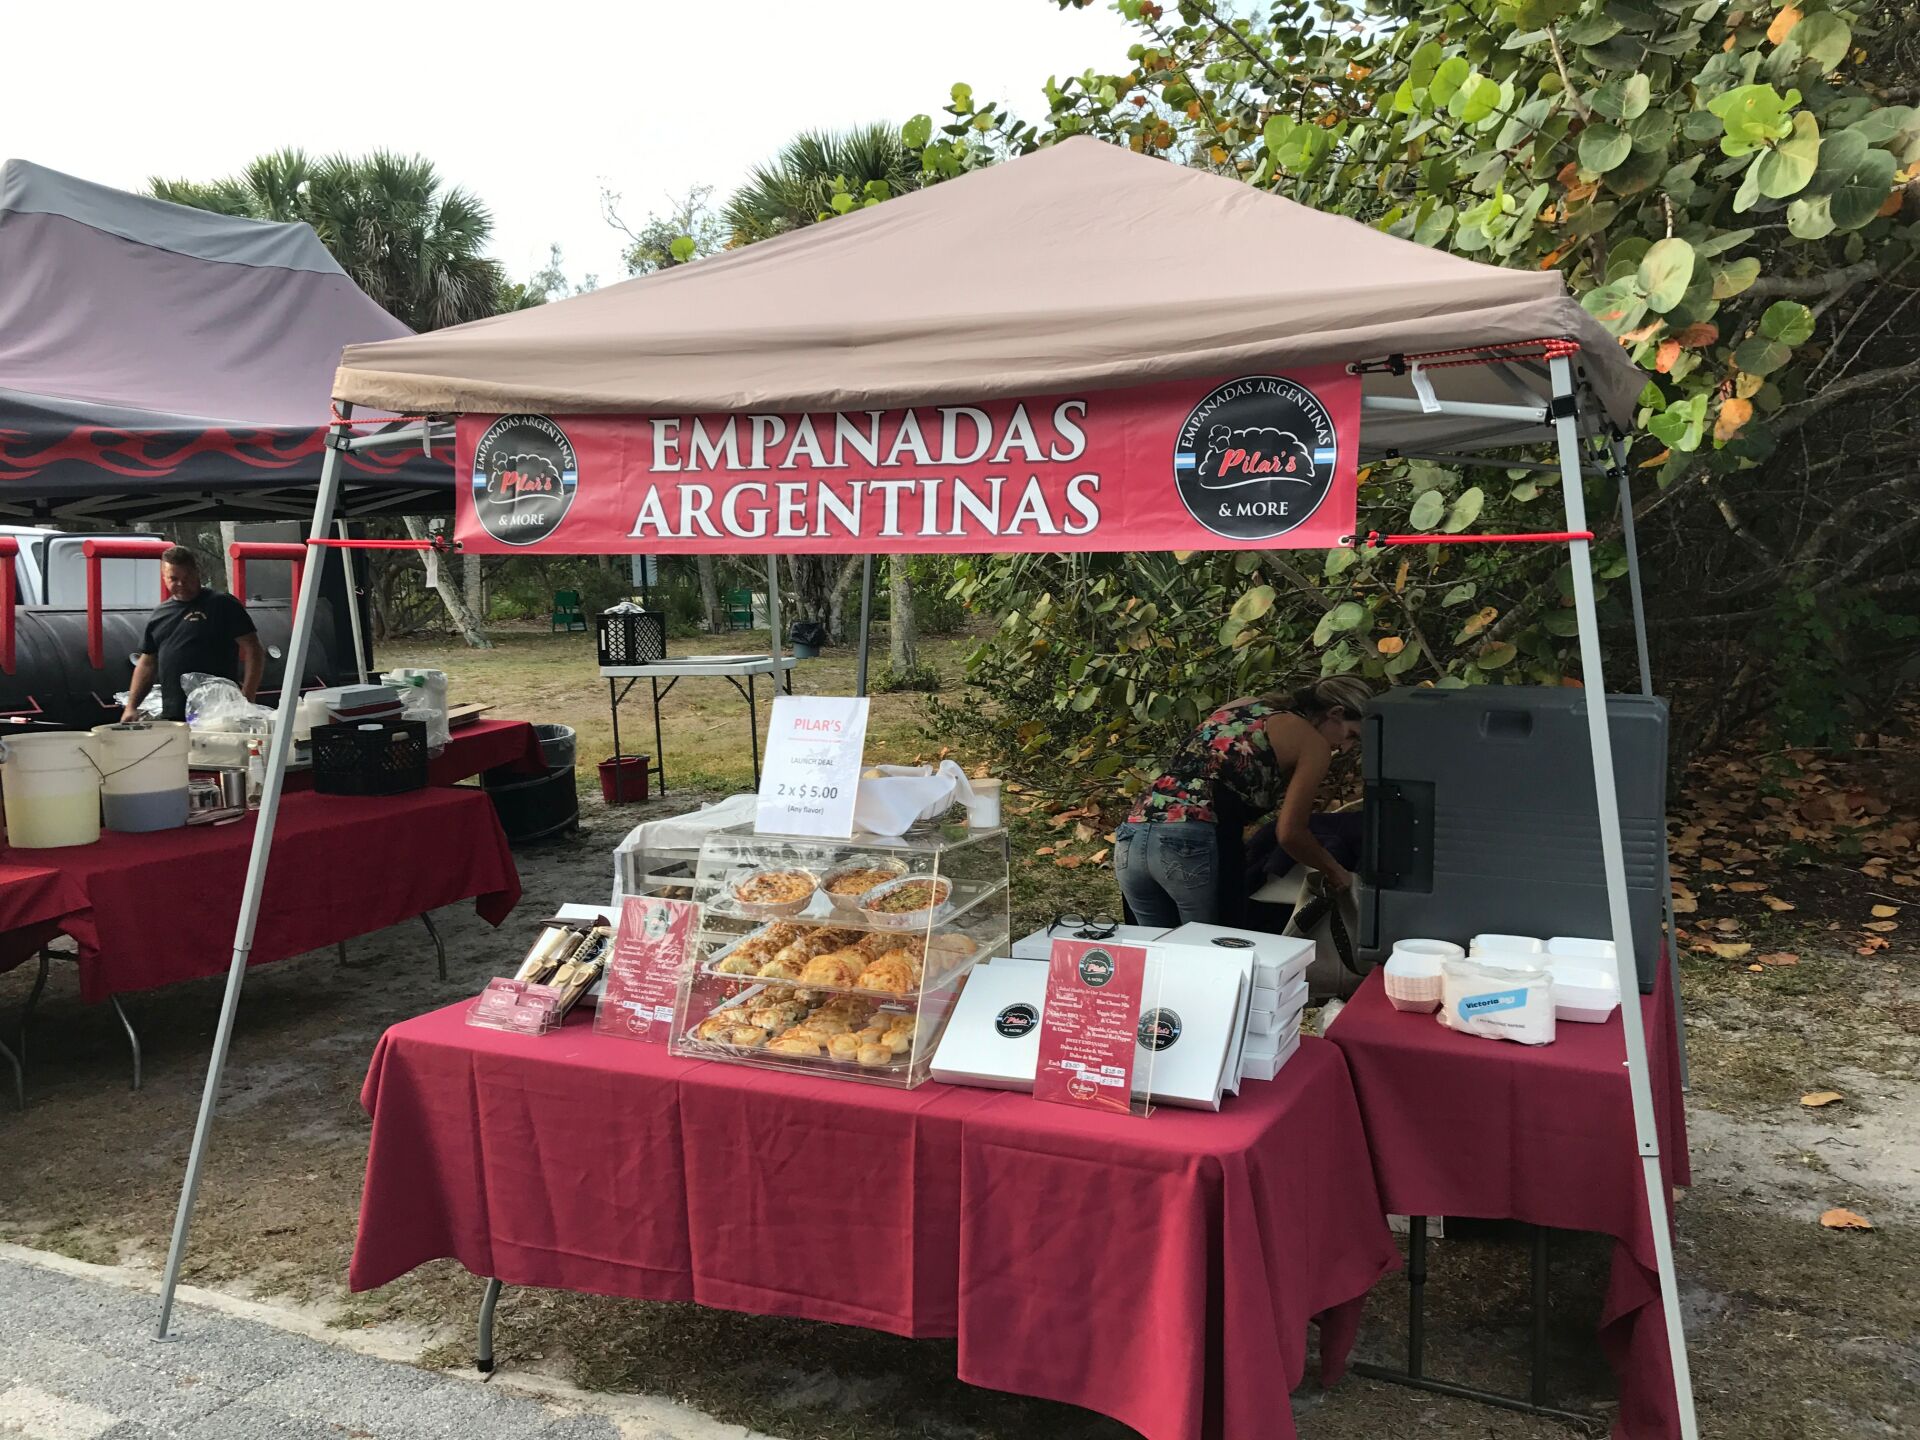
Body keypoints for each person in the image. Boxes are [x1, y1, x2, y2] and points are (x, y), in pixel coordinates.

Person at [1113, 676, 1373, 929]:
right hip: (1193, 839)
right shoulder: (1313, 743)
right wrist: (1335, 871)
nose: (1346, 747)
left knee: (1152, 957)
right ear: (1336, 713)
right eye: (1351, 735)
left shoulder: (1243, 705)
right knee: (1213, 955)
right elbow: (1290, 834)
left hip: (1132, 832)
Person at [121, 546, 265, 723]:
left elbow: (253, 649)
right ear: (164, 578)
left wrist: (247, 697)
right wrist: (131, 707)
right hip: (174, 713)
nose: (181, 584)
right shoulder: (159, 614)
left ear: (198, 573)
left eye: (187, 577)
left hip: (217, 712)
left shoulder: (222, 604)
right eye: (174, 579)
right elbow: (147, 663)